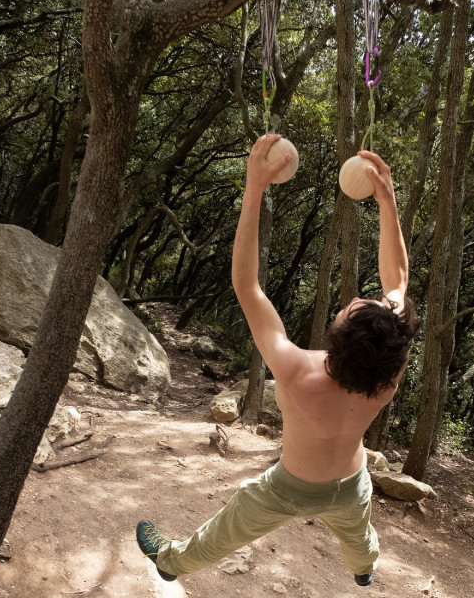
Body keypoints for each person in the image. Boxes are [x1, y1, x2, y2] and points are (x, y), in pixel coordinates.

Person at [136, 135, 420, 587]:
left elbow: (248, 287)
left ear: (338, 336)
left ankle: (170, 561)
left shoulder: (298, 369)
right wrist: (388, 202)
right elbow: (399, 279)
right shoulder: (389, 370)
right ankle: (364, 570)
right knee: (358, 534)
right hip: (350, 484)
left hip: (289, 488)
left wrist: (254, 189)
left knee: (223, 532)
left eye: (352, 305)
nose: (356, 297)